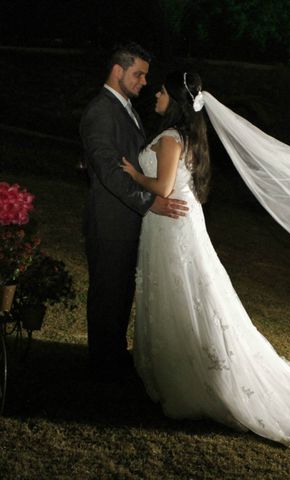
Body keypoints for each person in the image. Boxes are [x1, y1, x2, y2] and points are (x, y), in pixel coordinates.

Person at [121, 71, 290, 446]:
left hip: (172, 225)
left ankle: (189, 375)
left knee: (181, 290)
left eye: (162, 91)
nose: (156, 94)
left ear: (176, 102)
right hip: (179, 223)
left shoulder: (170, 138)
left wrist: (135, 173)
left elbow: (163, 187)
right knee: (188, 290)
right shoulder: (190, 138)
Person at [79, 43, 188, 381]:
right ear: (117, 70)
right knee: (108, 292)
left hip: (129, 220)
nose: (143, 82)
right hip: (110, 219)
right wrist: (148, 201)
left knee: (121, 291)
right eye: (138, 74)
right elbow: (109, 170)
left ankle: (114, 355)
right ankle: (102, 367)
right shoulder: (100, 111)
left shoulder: (127, 109)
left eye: (145, 75)